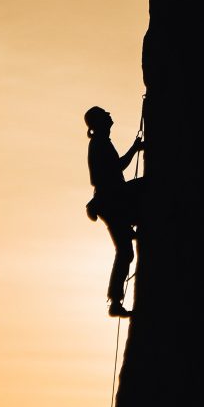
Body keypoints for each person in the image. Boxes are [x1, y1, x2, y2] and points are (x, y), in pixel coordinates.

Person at [84, 106, 145, 317]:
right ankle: (115, 301)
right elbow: (117, 168)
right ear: (100, 122)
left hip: (111, 202)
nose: (110, 116)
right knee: (125, 252)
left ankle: (115, 301)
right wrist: (135, 148)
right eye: (106, 115)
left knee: (125, 251)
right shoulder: (99, 144)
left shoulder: (100, 143)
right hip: (113, 202)